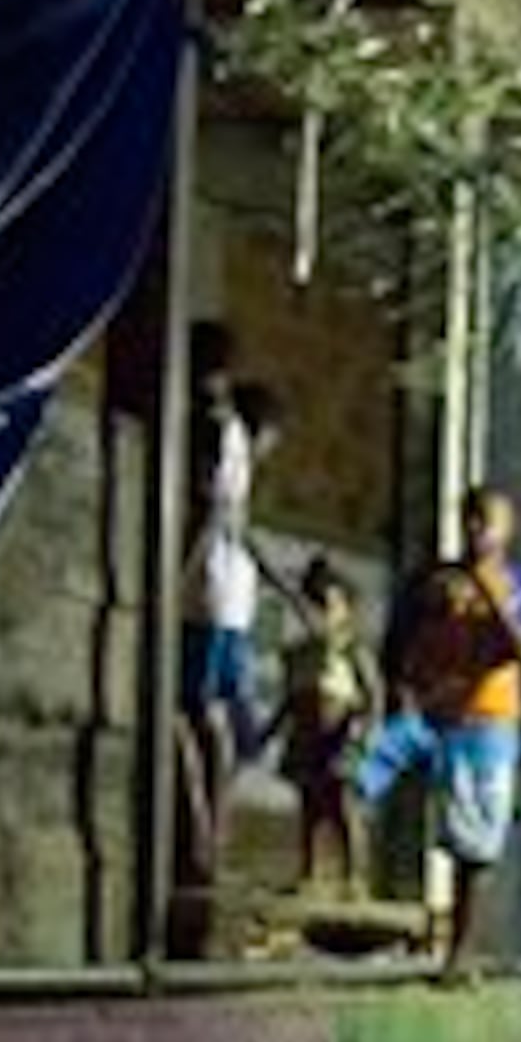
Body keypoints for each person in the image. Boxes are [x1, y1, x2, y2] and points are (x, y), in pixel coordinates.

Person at [358, 485, 521, 979]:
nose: (475, 530)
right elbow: (400, 641)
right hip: (432, 715)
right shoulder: (436, 580)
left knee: (476, 842)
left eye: (486, 520)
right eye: (469, 518)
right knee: (357, 771)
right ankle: (351, 881)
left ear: (508, 530)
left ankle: (462, 952)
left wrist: (488, 590)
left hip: (489, 721)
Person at [173, 379, 286, 890]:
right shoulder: (230, 440)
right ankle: (209, 836)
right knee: (212, 719)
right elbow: (224, 518)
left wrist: (177, 577)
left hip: (213, 599)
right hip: (220, 599)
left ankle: (206, 835)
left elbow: (217, 517)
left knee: (200, 717)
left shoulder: (226, 441)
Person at [261, 558, 381, 893]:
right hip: (306, 732)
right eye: (313, 605)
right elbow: (289, 698)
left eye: (326, 606)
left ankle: (354, 876)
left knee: (341, 802)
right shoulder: (299, 653)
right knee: (310, 803)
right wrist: (268, 732)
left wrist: (365, 731)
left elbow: (372, 693)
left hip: (339, 732)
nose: (319, 614)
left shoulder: (350, 648)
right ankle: (309, 872)